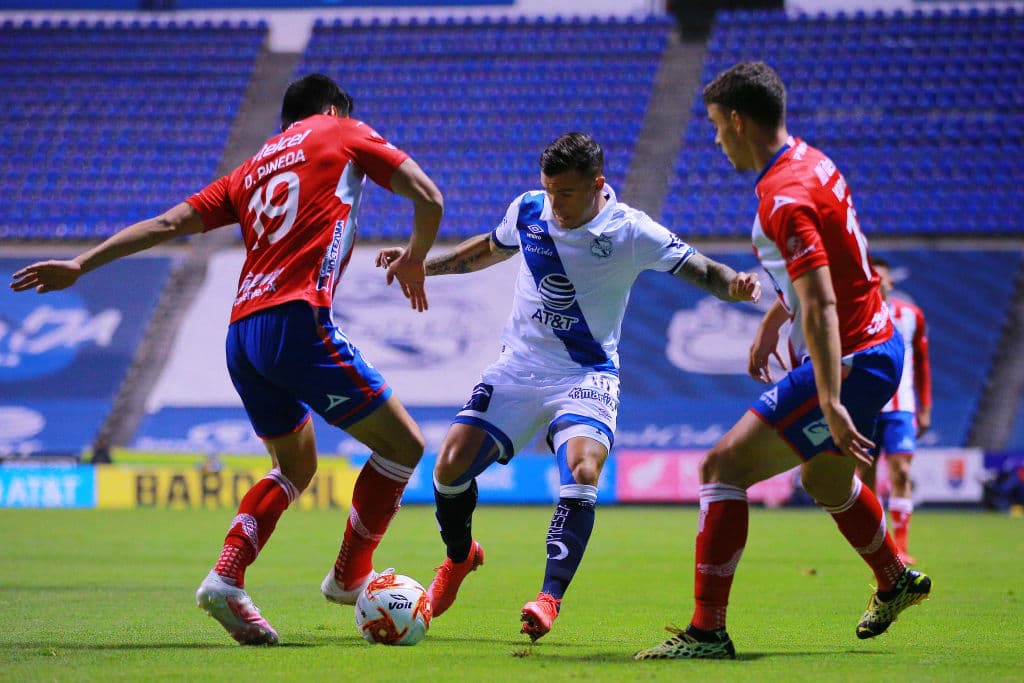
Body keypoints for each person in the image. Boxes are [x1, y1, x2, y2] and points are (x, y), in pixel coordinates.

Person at [10, 73, 444, 646]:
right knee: (404, 445)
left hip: (242, 333)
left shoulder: (252, 168)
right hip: (297, 322)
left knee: (294, 468)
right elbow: (429, 197)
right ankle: (347, 577)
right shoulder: (342, 130)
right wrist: (415, 257)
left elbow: (168, 224)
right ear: (334, 108)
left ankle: (226, 577)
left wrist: (81, 264)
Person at [375, 131, 762, 642]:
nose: (554, 205)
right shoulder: (529, 209)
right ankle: (460, 556)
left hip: (586, 374)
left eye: (566, 194)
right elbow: (489, 250)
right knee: (448, 470)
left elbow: (703, 269)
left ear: (597, 184)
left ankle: (548, 597)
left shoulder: (630, 231)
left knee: (581, 470)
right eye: (549, 191)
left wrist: (733, 285)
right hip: (519, 366)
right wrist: (424, 264)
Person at [634, 61, 932, 661]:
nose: (717, 141)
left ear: (739, 121)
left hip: (848, 360)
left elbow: (821, 300)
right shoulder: (814, 162)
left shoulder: (782, 195)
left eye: (718, 127)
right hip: (872, 345)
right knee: (823, 477)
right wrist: (774, 320)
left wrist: (827, 397)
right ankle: (893, 578)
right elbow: (839, 268)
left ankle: (706, 633)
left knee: (721, 467)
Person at [857, 256, 931, 565]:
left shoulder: (911, 315)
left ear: (890, 282)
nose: (878, 282)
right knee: (868, 479)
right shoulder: (858, 315)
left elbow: (922, 363)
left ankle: (901, 546)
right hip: (867, 406)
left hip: (902, 408)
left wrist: (925, 407)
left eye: (882, 277)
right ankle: (878, 545)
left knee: (901, 471)